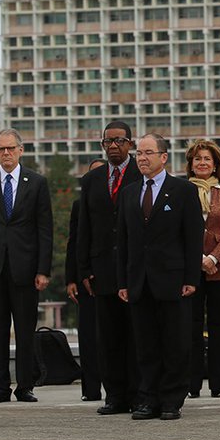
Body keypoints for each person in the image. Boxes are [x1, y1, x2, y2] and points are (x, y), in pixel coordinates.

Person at [116, 133, 202, 421]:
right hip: (139, 281)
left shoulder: (182, 191)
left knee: (175, 344)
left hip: (173, 280)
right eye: (138, 153)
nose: (141, 158)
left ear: (163, 157)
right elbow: (124, 242)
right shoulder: (129, 193)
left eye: (148, 152)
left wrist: (191, 277)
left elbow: (192, 238)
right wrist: (123, 282)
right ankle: (147, 399)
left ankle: (171, 400)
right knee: (145, 345)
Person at [0, 128, 53, 404]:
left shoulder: (37, 182)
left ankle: (25, 386)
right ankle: (1, 387)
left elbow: (45, 229)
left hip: (26, 269)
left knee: (25, 330)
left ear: (20, 150)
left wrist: (43, 269)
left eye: (10, 148)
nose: (6, 153)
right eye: (1, 149)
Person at [78, 121, 143, 414]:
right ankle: (114, 395)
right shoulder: (92, 180)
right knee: (108, 337)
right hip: (102, 268)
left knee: (135, 334)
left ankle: (138, 393)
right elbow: (84, 227)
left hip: (133, 268)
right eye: (108, 142)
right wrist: (83, 268)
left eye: (119, 141)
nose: (113, 146)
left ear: (130, 143)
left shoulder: (141, 174)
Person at [185, 139, 220, 399]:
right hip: (190, 269)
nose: (202, 163)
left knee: (217, 324)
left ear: (215, 166)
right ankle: (193, 383)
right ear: (191, 164)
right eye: (198, 159)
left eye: (207, 159)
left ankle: (217, 383)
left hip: (219, 268)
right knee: (191, 326)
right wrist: (197, 258)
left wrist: (213, 258)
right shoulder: (180, 191)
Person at [66, 157, 107, 402]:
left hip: (113, 276)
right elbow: (74, 243)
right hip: (86, 278)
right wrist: (72, 278)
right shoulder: (79, 206)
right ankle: (90, 389)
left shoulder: (124, 198)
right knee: (88, 336)